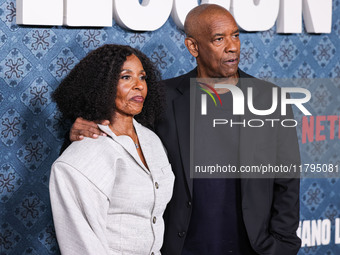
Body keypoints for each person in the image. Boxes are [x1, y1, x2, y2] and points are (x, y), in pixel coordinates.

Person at [64, 4, 301, 255]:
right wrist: (78, 131)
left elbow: (287, 178)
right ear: (193, 47)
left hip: (253, 248)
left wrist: (282, 245)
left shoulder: (269, 98)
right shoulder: (160, 98)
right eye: (219, 39)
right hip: (181, 246)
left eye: (236, 35)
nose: (232, 46)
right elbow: (116, 141)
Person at [50, 44, 174, 255]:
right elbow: (82, 247)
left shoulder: (152, 140)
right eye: (126, 77)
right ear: (102, 85)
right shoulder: (82, 158)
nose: (139, 86)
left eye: (142, 77)